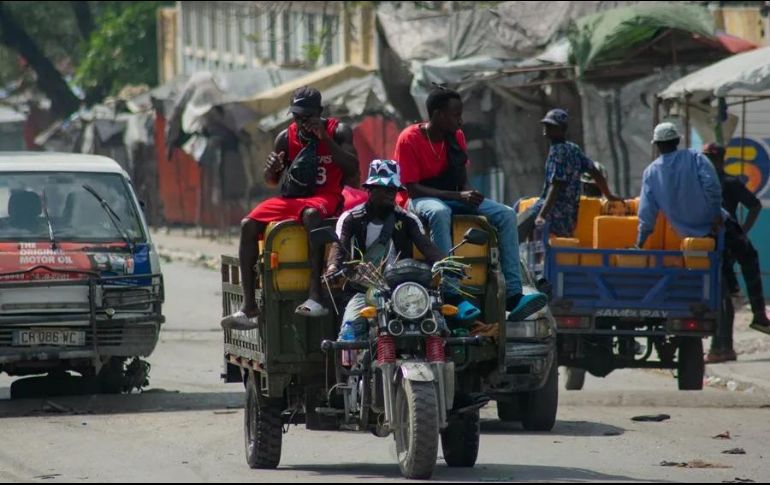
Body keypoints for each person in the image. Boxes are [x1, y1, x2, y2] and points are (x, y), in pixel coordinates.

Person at [393, 86, 547, 321]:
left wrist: (469, 193)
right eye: (455, 115)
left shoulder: (456, 137)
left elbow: (462, 179)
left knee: (506, 214)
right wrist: (458, 197)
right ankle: (452, 294)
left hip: (453, 196)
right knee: (440, 212)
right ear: (437, 115)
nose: (461, 121)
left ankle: (514, 295)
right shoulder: (409, 138)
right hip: (420, 200)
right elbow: (412, 188)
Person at [221, 86, 359, 330]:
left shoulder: (338, 131)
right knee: (248, 224)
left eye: (307, 117)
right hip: (294, 199)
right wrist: (271, 169)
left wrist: (324, 139)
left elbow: (352, 168)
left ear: (319, 112)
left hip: (326, 196)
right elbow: (272, 181)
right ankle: (249, 306)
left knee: (312, 215)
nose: (302, 122)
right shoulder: (285, 137)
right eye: (297, 117)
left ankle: (315, 295)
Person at [635, 123, 770, 337]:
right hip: (716, 225)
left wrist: (640, 242)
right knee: (748, 256)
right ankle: (759, 315)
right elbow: (712, 185)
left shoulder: (651, 172)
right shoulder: (694, 157)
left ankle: (732, 290)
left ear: (657, 145)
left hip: (689, 236)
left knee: (716, 268)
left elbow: (646, 213)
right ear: (677, 141)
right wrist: (715, 213)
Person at [326, 159, 447, 340]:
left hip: (403, 290)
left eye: (393, 190)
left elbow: (426, 246)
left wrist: (446, 263)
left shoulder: (407, 219)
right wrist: (333, 268)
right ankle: (352, 359)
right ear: (370, 189)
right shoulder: (351, 218)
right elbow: (339, 246)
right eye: (385, 189)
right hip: (363, 289)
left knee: (438, 326)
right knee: (348, 334)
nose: (391, 194)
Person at [702, 143, 764, 362]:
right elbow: (754, 206)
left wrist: (743, 231)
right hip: (713, 242)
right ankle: (756, 314)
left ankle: (722, 346)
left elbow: (755, 206)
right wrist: (743, 232)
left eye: (710, 158)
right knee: (723, 293)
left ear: (719, 159)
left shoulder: (723, 182)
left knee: (723, 294)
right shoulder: (714, 182)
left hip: (720, 242)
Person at [534, 109, 621, 236]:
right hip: (570, 217)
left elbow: (556, 185)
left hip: (554, 213)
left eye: (551, 126)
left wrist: (541, 215)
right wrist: (608, 195)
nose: (546, 128)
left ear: (562, 129)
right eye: (546, 125)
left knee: (522, 219)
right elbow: (595, 172)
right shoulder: (573, 149)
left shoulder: (557, 152)